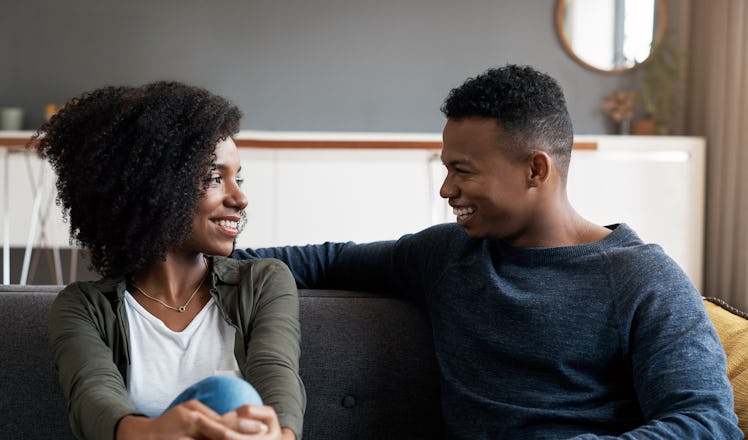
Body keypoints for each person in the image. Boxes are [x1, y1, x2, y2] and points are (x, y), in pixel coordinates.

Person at [236, 65, 742, 438]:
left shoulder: (643, 278)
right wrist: (189, 254)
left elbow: (706, 423)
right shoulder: (444, 256)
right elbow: (323, 259)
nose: (446, 190)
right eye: (446, 169)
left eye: (464, 170)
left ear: (535, 171)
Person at [36, 82, 305, 440]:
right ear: (155, 187)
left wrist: (280, 436)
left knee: (236, 398)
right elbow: (92, 397)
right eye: (214, 178)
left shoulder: (262, 282)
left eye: (237, 178)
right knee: (230, 396)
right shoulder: (84, 307)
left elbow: (277, 374)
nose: (240, 198)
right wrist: (160, 431)